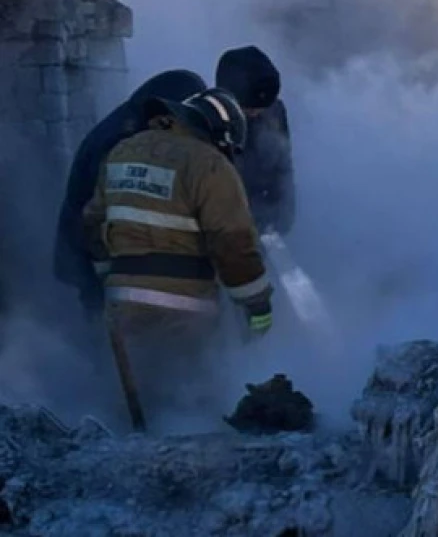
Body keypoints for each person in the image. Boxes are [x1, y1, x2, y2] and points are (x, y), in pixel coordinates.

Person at [82, 88, 274, 412]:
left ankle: (131, 452)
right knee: (189, 394)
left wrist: (109, 277)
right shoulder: (209, 164)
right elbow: (232, 242)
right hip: (185, 306)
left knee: (140, 397)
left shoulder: (122, 151)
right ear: (219, 133)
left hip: (121, 301)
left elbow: (92, 223)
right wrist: (257, 304)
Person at [54, 70, 208, 316]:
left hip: (92, 254)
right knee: (104, 324)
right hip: (92, 258)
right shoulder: (122, 141)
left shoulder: (128, 123)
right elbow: (103, 217)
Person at [215, 46, 296, 236]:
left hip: (260, 210)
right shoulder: (210, 119)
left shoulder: (274, 112)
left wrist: (284, 210)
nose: (257, 114)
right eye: (250, 109)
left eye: (263, 107)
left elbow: (283, 164)